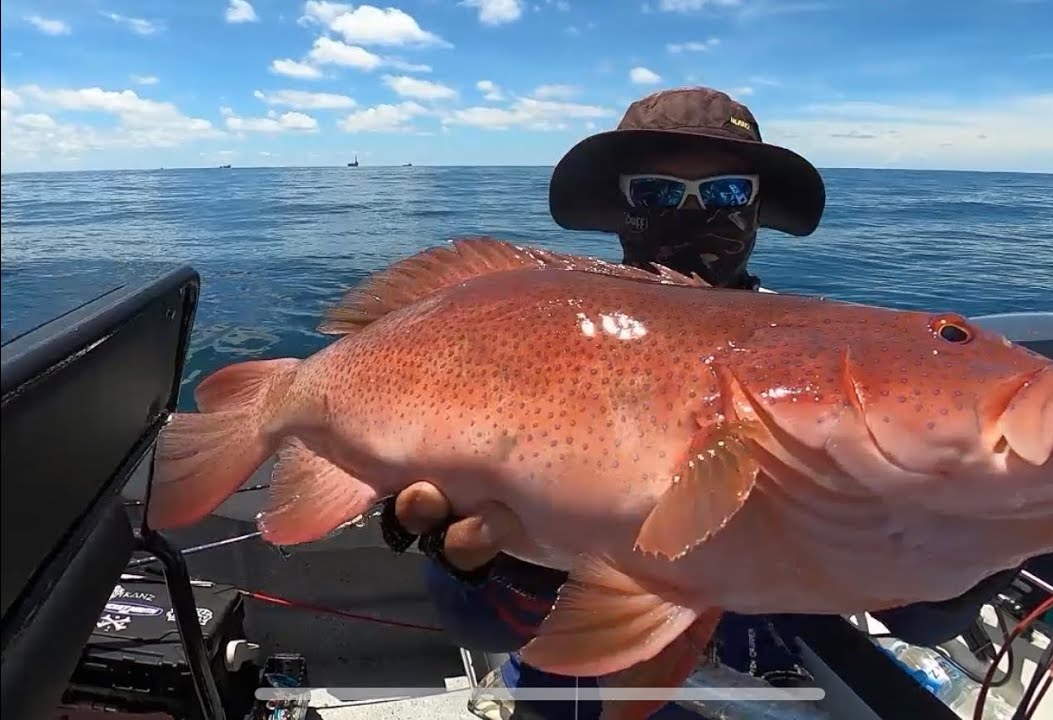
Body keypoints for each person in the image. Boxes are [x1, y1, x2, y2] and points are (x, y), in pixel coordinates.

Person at [378, 87, 1020, 720]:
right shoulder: (530, 346)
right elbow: (478, 626)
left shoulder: (820, 372)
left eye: (727, 192)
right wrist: (529, 567)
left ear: (757, 208)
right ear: (621, 207)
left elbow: (921, 618)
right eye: (656, 192)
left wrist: (989, 541)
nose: (693, 212)